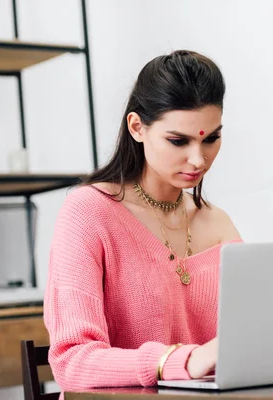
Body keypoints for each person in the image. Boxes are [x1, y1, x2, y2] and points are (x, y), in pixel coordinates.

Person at [43, 50, 242, 392]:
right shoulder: (88, 212)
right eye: (178, 140)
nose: (199, 158)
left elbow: (246, 342)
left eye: (211, 138)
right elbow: (72, 362)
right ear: (137, 127)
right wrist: (182, 361)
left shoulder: (218, 223)